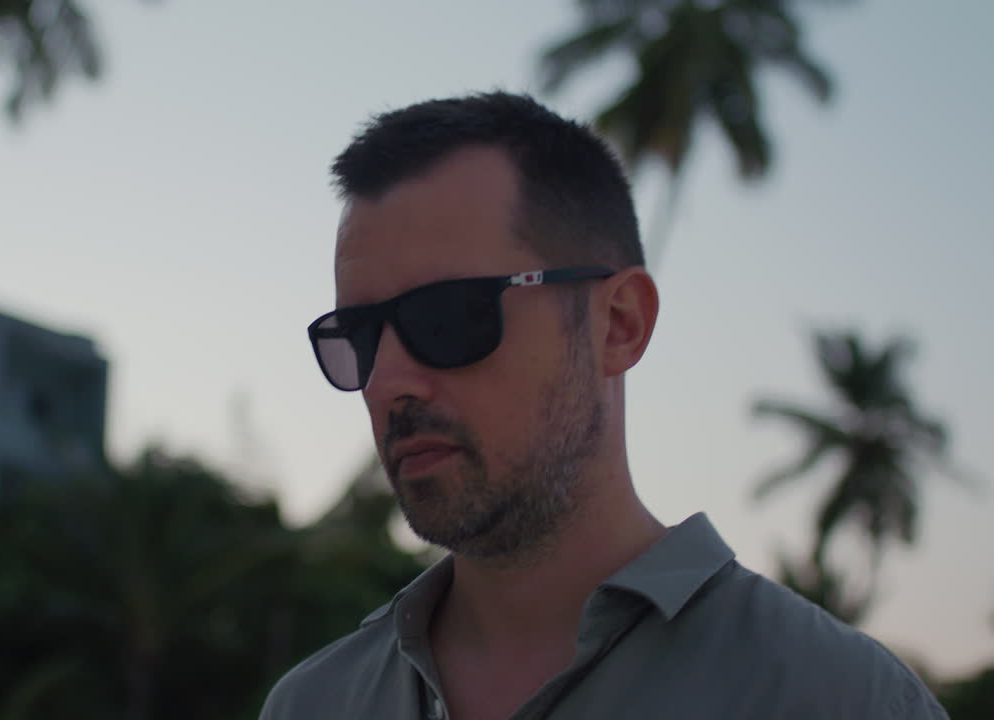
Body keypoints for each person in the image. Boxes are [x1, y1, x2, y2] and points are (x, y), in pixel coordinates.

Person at [262, 92, 946, 720]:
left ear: (618, 324)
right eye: (355, 335)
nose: (386, 382)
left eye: (445, 318)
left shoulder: (838, 700)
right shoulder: (314, 704)